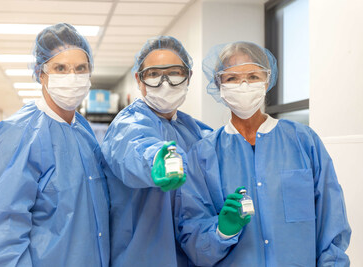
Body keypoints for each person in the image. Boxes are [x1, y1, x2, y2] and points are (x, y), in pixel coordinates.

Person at [176, 41, 351, 266]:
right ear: (218, 85)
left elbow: (332, 225)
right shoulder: (203, 155)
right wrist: (222, 232)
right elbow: (194, 243)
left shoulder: (304, 141)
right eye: (232, 78)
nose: (243, 85)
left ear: (267, 80)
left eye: (253, 76)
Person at [0, 23, 109, 267]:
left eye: (80, 68)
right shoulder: (19, 134)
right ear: (40, 73)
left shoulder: (83, 130)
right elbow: (3, 237)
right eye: (60, 68)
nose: (72, 77)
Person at [101, 36, 212, 267]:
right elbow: (134, 148)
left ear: (188, 76)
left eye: (174, 72)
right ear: (139, 81)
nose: (165, 82)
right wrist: (157, 161)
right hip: (141, 258)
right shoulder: (128, 123)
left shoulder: (193, 129)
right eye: (153, 74)